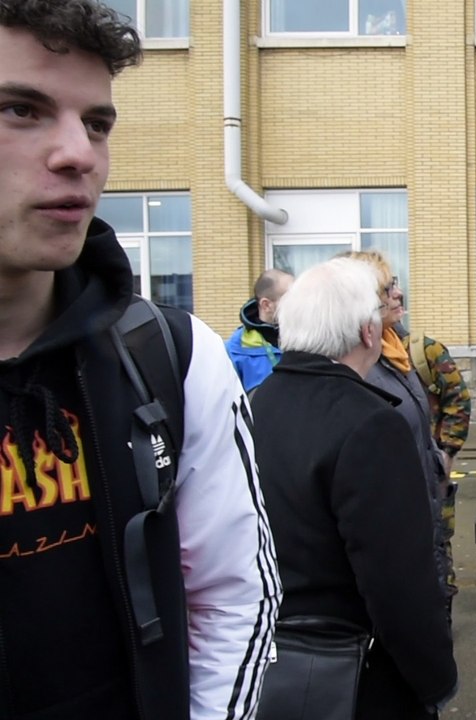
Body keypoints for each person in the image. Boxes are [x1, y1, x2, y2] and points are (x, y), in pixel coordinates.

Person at [0, 2, 280, 718]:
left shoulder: (169, 357)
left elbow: (231, 594)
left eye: (96, 122)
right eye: (20, 110)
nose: (79, 154)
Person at [251, 258, 456, 718]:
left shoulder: (253, 405)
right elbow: (399, 581)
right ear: (369, 333)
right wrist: (436, 678)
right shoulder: (371, 425)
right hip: (353, 675)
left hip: (268, 667)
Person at [342, 251, 453, 613]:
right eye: (388, 288)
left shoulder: (394, 353)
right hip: (398, 542)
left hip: (426, 519)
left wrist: (440, 459)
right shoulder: (356, 365)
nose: (398, 294)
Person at [408, 331, 472, 602]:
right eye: (387, 291)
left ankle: (442, 613)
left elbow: (458, 398)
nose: (398, 295)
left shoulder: (423, 351)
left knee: (438, 541)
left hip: (431, 470)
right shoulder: (356, 351)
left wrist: (447, 450)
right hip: (388, 470)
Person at [224, 268, 293, 392]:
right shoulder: (234, 352)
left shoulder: (309, 339)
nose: (299, 303)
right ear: (266, 305)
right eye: (290, 298)